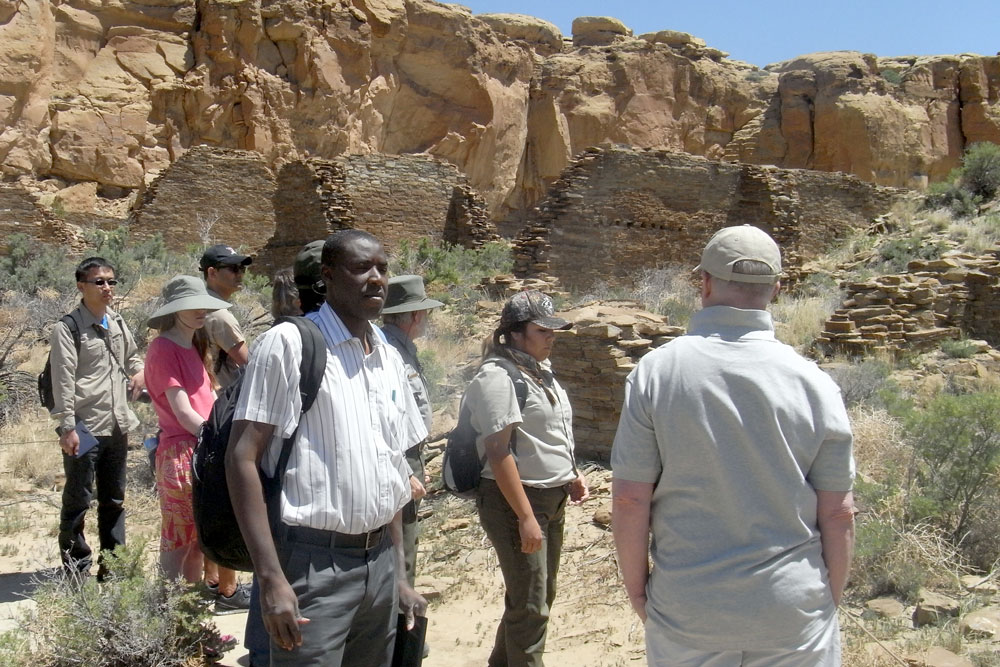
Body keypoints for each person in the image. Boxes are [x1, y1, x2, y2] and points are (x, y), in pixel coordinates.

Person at [611, 225, 856, 666]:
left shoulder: (656, 373)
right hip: (791, 608)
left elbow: (630, 499)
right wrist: (825, 602)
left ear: (703, 282)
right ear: (777, 289)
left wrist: (639, 592)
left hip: (689, 606)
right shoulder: (815, 383)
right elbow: (837, 511)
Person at [227, 229, 428, 666]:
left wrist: (400, 575)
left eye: (382, 268)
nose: (375, 278)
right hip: (313, 566)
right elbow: (242, 457)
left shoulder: (388, 356)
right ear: (328, 276)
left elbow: (391, 469)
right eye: (361, 268)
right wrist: (271, 579)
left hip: (378, 564)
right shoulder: (290, 344)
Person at [464, 289, 590, 667]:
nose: (551, 337)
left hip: (550, 497)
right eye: (542, 330)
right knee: (531, 603)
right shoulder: (498, 377)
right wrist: (525, 517)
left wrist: (570, 474)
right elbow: (499, 452)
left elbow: (544, 434)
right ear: (515, 333)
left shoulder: (537, 371)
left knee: (536, 596)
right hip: (516, 502)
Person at [244, 241, 326, 667]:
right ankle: (263, 651)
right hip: (285, 492)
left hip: (284, 489)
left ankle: (261, 649)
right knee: (277, 570)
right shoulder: (283, 345)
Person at [49, 257, 145, 581]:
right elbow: (61, 380)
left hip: (117, 424)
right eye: (99, 282)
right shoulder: (68, 328)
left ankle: (113, 566)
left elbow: (132, 357)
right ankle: (76, 568)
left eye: (111, 282)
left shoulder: (116, 322)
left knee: (114, 500)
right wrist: (66, 427)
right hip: (84, 426)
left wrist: (139, 372)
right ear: (81, 286)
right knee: (78, 500)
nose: (107, 288)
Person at [144, 275, 231, 585]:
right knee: (178, 542)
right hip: (182, 454)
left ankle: (188, 617)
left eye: (203, 305)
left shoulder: (193, 344)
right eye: (191, 306)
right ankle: (168, 618)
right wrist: (218, 436)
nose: (200, 311)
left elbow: (209, 399)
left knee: (197, 543)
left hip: (202, 450)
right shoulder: (163, 348)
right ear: (174, 309)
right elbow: (182, 412)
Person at [380, 274, 444, 591]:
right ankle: (400, 632)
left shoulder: (400, 347)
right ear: (415, 315)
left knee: (404, 545)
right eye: (425, 313)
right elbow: (382, 419)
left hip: (407, 460)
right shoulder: (388, 352)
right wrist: (405, 469)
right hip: (397, 463)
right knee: (400, 550)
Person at [198, 244, 253, 611]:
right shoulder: (217, 314)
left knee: (208, 498)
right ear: (210, 273)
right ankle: (229, 589)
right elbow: (248, 362)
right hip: (224, 411)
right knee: (228, 500)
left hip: (206, 408)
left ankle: (212, 579)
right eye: (230, 269)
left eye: (240, 268)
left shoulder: (199, 308)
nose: (238, 275)